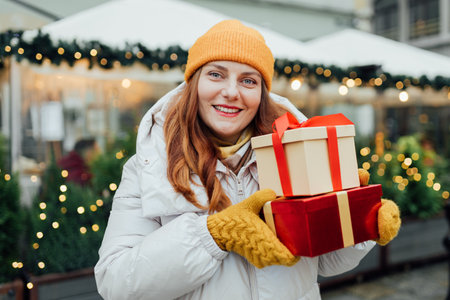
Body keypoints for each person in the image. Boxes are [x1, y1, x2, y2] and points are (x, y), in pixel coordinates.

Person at [95, 20, 400, 300]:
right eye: (216, 74)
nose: (231, 92)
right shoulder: (148, 166)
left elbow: (325, 262)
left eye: (248, 81)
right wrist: (212, 235)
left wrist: (359, 222)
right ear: (194, 84)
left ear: (261, 94)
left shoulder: (297, 153)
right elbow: (115, 283)